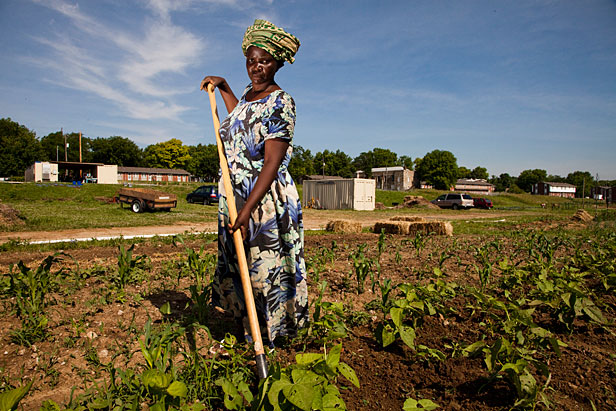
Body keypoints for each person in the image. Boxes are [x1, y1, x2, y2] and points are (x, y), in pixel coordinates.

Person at [200, 19, 308, 347]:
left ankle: (277, 340)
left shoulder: (281, 101)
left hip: (265, 200)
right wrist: (225, 87)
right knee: (241, 266)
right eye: (251, 60)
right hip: (238, 195)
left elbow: (272, 164)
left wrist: (247, 211)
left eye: (264, 61)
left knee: (266, 270)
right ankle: (251, 334)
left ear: (277, 63)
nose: (256, 67)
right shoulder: (248, 97)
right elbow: (240, 122)